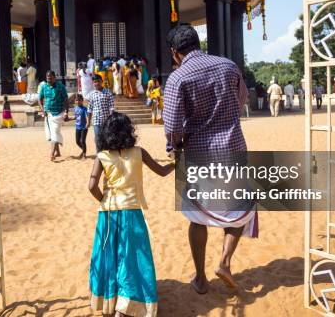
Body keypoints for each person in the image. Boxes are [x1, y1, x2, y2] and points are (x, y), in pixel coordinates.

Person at [163, 23, 256, 294]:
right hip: (233, 148)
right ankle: (225, 262)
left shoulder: (178, 78)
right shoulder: (228, 66)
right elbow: (241, 99)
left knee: (197, 216)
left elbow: (172, 124)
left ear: (175, 52)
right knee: (241, 209)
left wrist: (174, 145)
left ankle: (201, 278)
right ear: (198, 43)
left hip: (198, 154)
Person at [88, 112, 173, 316]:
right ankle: (126, 307)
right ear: (128, 131)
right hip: (132, 211)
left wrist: (104, 199)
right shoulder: (139, 152)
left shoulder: (102, 156)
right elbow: (161, 171)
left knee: (109, 256)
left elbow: (92, 186)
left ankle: (110, 302)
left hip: (108, 213)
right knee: (132, 258)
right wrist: (175, 163)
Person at [39, 70, 69, 161]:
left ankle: (51, 153)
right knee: (51, 133)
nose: (49, 80)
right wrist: (42, 109)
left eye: (51, 78)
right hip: (48, 114)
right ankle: (58, 152)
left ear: (54, 78)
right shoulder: (44, 87)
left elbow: (66, 99)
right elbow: (39, 99)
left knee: (55, 131)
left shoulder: (61, 87)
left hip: (58, 113)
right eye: (48, 78)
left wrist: (66, 112)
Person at [87, 74, 115, 152]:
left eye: (98, 81)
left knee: (107, 137)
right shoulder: (91, 94)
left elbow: (111, 106)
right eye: (95, 82)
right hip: (96, 121)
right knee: (97, 138)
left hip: (106, 121)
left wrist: (111, 118)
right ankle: (99, 155)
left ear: (102, 81)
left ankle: (108, 153)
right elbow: (89, 109)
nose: (97, 83)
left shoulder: (108, 92)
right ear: (93, 83)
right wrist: (88, 121)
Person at [74, 94, 88, 159]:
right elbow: (76, 117)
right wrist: (69, 119)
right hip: (77, 127)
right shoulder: (75, 108)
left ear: (82, 101)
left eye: (79, 100)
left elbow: (87, 116)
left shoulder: (85, 109)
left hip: (84, 127)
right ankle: (83, 150)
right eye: (76, 100)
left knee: (82, 140)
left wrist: (88, 123)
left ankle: (84, 154)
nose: (78, 102)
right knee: (77, 141)